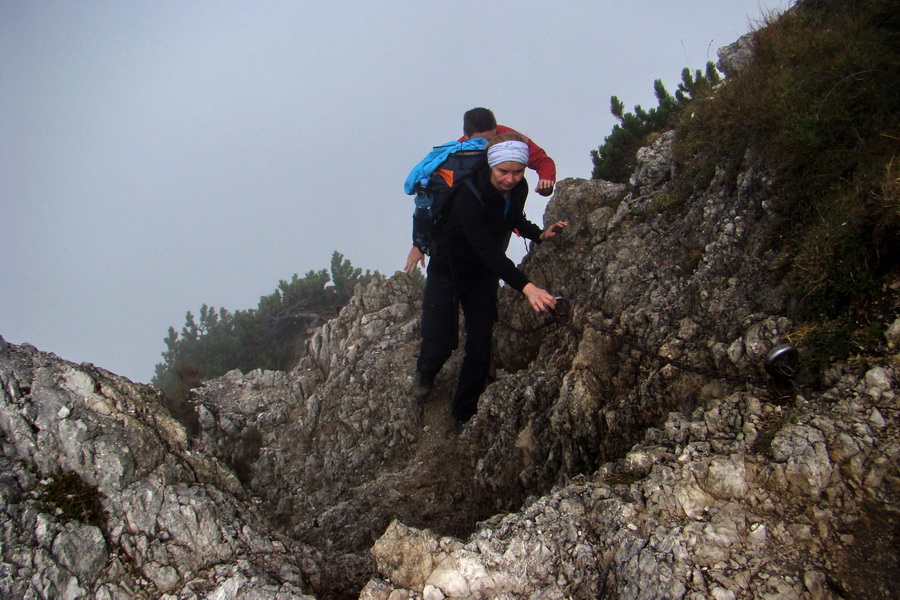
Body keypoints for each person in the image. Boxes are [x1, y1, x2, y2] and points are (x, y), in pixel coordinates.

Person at [412, 132, 569, 428]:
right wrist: (527, 286)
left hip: (481, 275)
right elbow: (485, 247)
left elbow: (512, 218)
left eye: (518, 171)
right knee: (441, 340)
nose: (511, 179)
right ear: (490, 166)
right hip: (448, 269)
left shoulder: (518, 187)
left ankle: (462, 412)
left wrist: (539, 234)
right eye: (503, 172)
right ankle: (425, 372)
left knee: (480, 343)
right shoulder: (467, 195)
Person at [404, 107, 557, 274]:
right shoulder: (460, 152)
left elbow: (541, 159)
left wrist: (546, 179)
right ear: (466, 135)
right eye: (480, 142)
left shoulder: (509, 139)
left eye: (491, 139)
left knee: (490, 266)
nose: (487, 147)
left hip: (501, 216)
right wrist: (419, 243)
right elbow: (439, 200)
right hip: (465, 223)